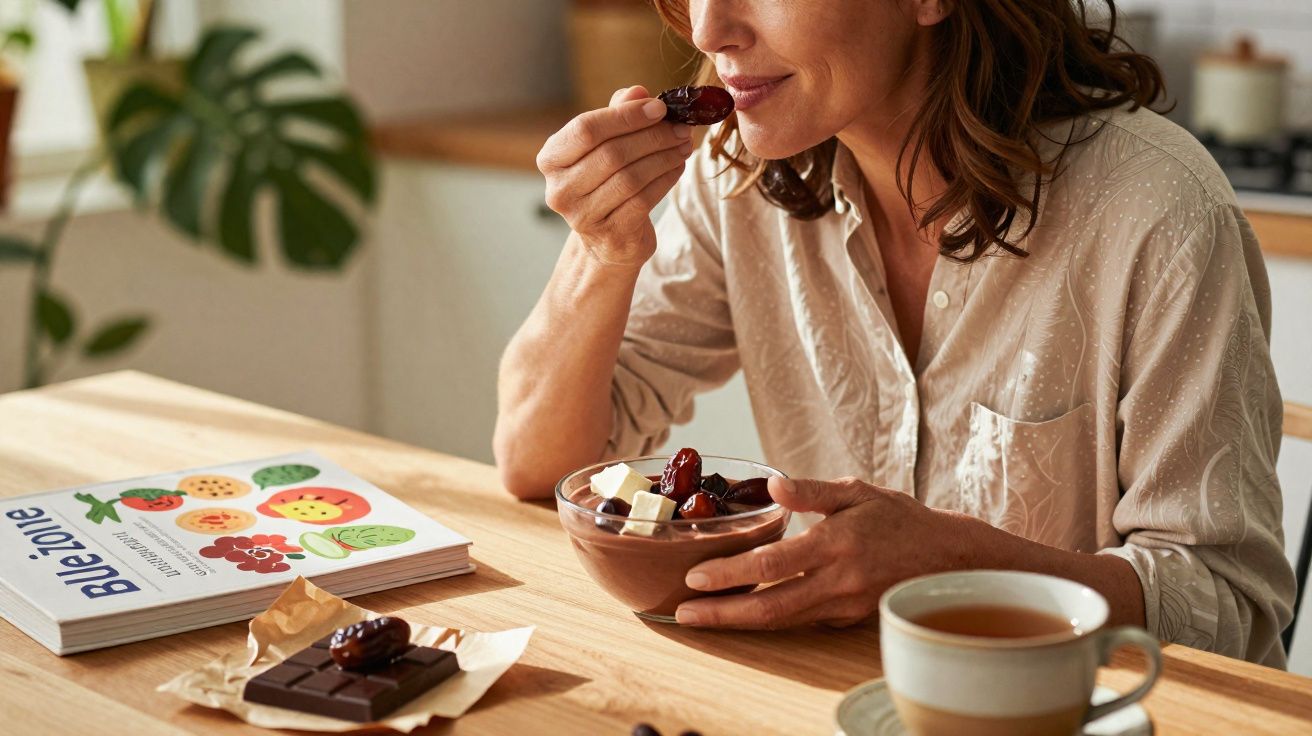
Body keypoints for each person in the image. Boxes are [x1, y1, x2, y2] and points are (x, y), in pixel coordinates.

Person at [494, 0, 1296, 667]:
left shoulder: (1161, 213)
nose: (708, 30)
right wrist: (602, 252)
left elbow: (1232, 609)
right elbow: (539, 462)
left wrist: (968, 568)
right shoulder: (734, 178)